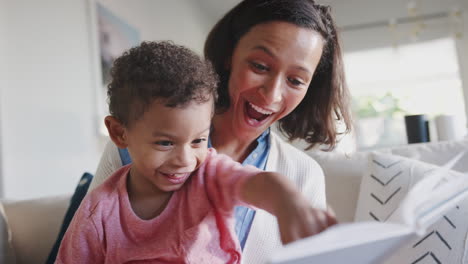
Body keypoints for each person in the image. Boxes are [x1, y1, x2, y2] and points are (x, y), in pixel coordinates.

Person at [89, 0, 351, 263]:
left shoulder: (304, 175)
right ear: (230, 56)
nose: (272, 94)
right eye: (260, 66)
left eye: (295, 80)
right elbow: (87, 241)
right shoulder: (139, 140)